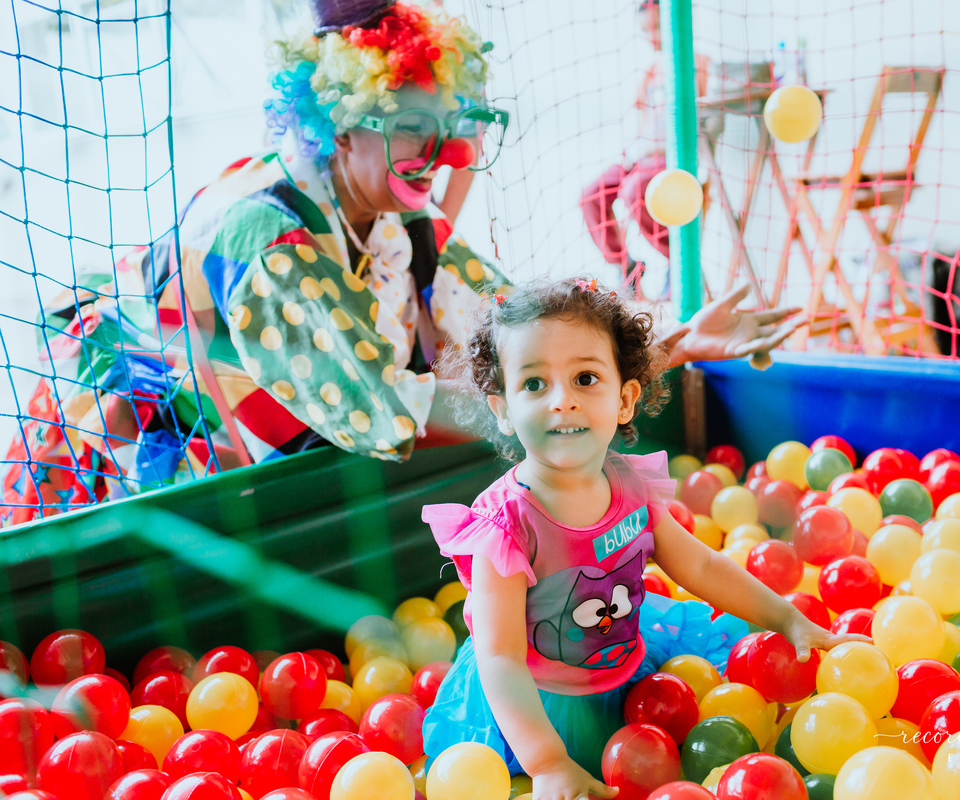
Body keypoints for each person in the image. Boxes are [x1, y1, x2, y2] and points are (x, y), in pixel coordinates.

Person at [1, 0, 798, 527]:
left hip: (233, 472)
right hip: (110, 460)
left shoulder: (397, 221)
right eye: (415, 127)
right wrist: (577, 398)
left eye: (450, 126)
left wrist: (667, 342)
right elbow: (386, 410)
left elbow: (530, 331)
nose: (444, 153)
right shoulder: (267, 239)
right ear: (340, 123)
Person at [421, 278, 866, 798]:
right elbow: (501, 658)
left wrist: (788, 618)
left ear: (625, 399)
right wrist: (547, 763)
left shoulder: (630, 485)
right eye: (535, 384)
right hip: (539, 701)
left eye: (585, 378)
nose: (562, 401)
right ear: (503, 409)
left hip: (622, 662)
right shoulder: (506, 525)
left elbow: (702, 567)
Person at [578, 0, 709, 288]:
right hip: (642, 155)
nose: (652, 37)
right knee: (591, 195)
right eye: (646, 30)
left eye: (657, 27)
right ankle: (625, 265)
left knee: (635, 192)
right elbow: (643, 118)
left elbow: (703, 124)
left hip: (671, 158)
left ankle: (679, 262)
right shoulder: (653, 68)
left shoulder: (698, 64)